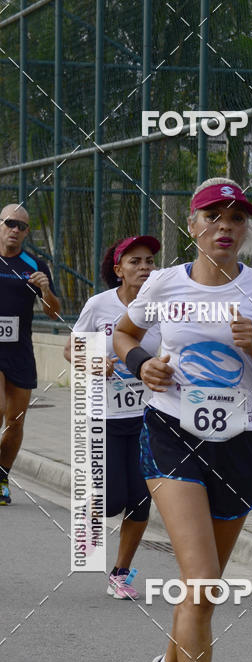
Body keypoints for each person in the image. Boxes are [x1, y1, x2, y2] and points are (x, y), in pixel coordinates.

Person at [113, 178, 252, 662]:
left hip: (240, 448)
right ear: (192, 226)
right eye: (213, 215)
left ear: (246, 232)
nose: (227, 224)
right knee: (198, 580)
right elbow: (124, 335)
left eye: (238, 217)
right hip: (172, 438)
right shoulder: (164, 284)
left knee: (206, 590)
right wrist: (145, 368)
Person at [65, 236, 161, 599]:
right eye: (135, 261)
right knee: (111, 500)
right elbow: (70, 349)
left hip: (148, 417)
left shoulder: (162, 308)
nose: (144, 268)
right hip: (102, 416)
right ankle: (87, 508)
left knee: (140, 500)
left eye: (150, 261)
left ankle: (120, 574)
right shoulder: (99, 305)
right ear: (119, 270)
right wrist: (93, 363)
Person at [0, 204, 61, 504]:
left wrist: (46, 291)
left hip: (20, 350)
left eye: (21, 226)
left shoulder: (32, 265)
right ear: (0, 225)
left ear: (26, 232)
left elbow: (54, 314)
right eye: (10, 223)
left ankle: (2, 476)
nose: (15, 229)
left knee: (15, 421)